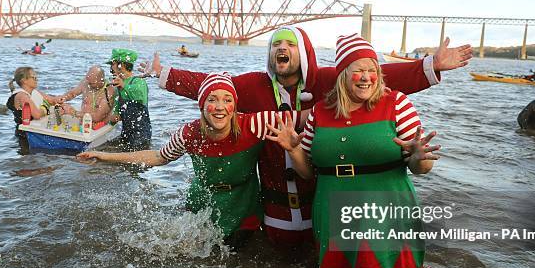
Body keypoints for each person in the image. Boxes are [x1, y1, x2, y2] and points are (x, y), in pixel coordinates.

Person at [142, 25, 471, 247]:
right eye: (276, 46)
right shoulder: (252, 85)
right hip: (274, 207)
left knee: (323, 260)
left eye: (289, 45)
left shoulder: (329, 80)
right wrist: (165, 76)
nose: (281, 50)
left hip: (320, 204)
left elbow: (376, 75)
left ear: (303, 52)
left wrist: (430, 65)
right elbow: (213, 87)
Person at [266, 34, 441, 268]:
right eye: (358, 70)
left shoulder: (397, 104)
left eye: (372, 70)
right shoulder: (320, 112)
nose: (366, 77)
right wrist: (294, 148)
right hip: (334, 219)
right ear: (343, 74)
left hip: (383, 220)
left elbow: (420, 167)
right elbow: (309, 171)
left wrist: (418, 156)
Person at [77, 73, 299, 249]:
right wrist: (104, 155)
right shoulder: (189, 134)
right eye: (212, 99)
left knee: (237, 256)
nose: (220, 107)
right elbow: (157, 157)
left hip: (243, 204)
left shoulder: (256, 124)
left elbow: (304, 117)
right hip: (202, 202)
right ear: (202, 105)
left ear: (235, 106)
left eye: (227, 100)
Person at [107, 48, 152, 150]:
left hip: (140, 132)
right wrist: (114, 116)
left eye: (112, 64)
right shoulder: (120, 84)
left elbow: (140, 96)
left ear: (121, 65)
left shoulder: (138, 81)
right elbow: (120, 103)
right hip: (126, 131)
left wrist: (123, 85)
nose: (110, 68)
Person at [6, 66, 59, 136]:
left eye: (36, 78)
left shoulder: (35, 92)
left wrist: (68, 96)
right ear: (24, 80)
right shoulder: (22, 96)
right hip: (25, 133)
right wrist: (45, 108)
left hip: (35, 130)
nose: (36, 80)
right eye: (34, 78)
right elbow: (37, 115)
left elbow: (52, 100)